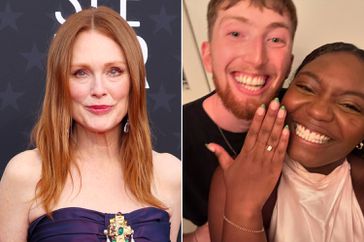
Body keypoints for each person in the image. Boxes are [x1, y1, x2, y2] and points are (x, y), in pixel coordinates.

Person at [0, 6, 180, 242]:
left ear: (133, 80)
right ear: (60, 84)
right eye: (81, 73)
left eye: (114, 71)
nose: (99, 90)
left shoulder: (170, 174)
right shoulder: (25, 174)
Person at [208, 42, 364, 242]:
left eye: (349, 106)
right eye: (306, 87)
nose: (318, 111)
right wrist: (243, 208)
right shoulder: (235, 176)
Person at [183, 0, 297, 240]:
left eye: (275, 39)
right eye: (236, 33)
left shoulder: (307, 116)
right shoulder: (169, 139)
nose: (256, 58)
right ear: (208, 56)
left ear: (289, 64)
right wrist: (197, 237)